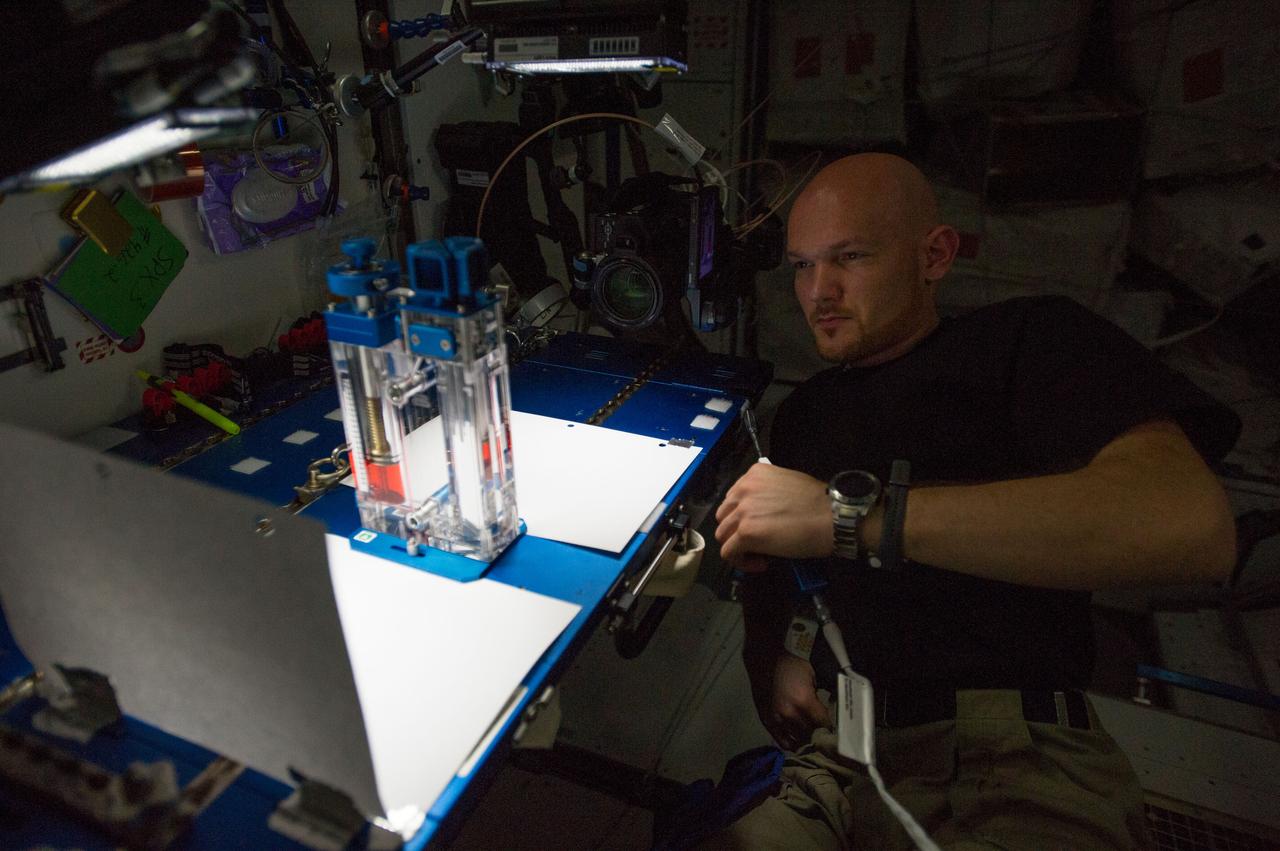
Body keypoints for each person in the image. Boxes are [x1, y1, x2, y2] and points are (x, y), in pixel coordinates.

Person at [708, 153, 1240, 849]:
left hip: (1019, 760)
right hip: (842, 761)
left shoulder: (1030, 343)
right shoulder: (805, 415)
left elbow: (1189, 525)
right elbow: (764, 565)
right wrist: (764, 657)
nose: (818, 292)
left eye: (850, 258)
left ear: (934, 256)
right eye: (803, 265)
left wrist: (856, 520)